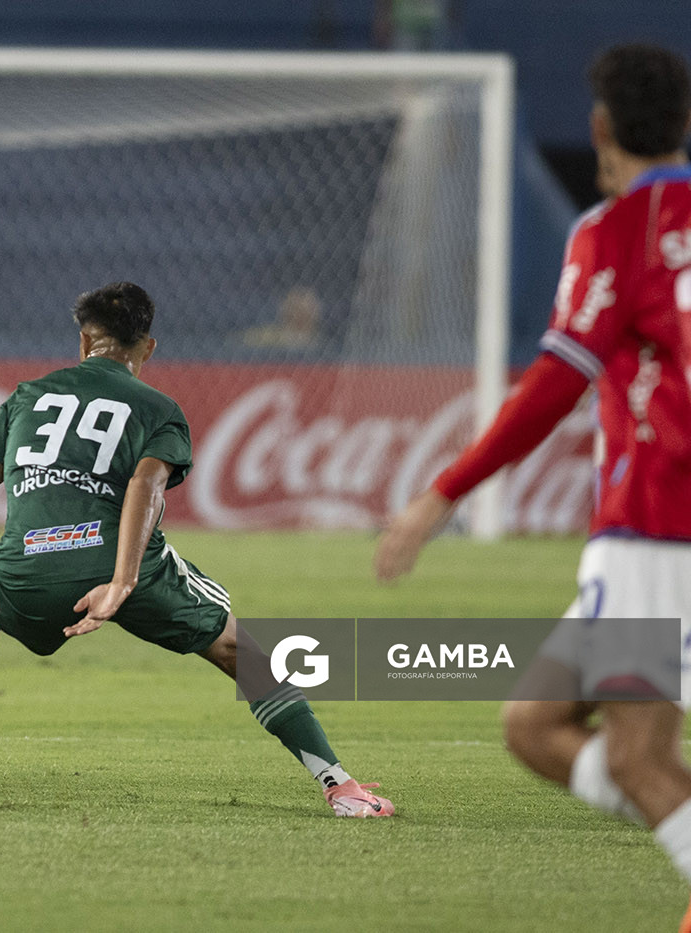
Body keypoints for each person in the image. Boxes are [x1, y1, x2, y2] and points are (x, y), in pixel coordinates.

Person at [374, 43, 691, 927]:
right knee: (535, 722)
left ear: (600, 128)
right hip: (655, 538)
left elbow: (558, 378)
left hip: (656, 531)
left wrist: (445, 489)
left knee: (628, 757)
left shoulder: (615, 231)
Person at [0, 281, 394, 817]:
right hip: (127, 566)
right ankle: (341, 788)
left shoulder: (25, 397)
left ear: (84, 342)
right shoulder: (159, 409)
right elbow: (145, 488)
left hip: (28, 562)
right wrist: (123, 582)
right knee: (237, 649)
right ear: (147, 347)